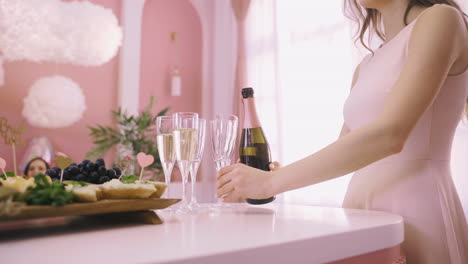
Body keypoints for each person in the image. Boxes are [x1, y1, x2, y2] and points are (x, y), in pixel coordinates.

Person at [217, 1, 468, 263]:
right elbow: (347, 148)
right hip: (362, 215)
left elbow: (390, 134)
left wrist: (268, 183)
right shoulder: (367, 65)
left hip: (418, 211)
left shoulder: (442, 19)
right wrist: (267, 178)